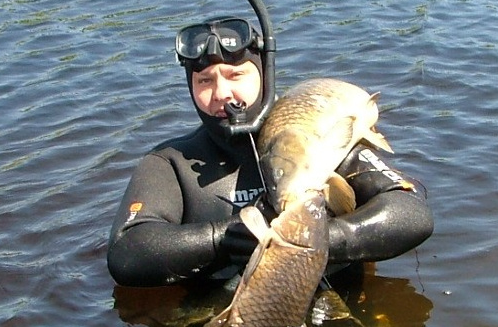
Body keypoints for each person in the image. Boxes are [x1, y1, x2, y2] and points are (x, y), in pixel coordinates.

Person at [107, 16, 433, 287]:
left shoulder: (313, 138)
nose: (221, 93)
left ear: (264, 75)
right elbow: (127, 255)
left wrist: (316, 239)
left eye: (236, 75)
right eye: (204, 81)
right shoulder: (170, 162)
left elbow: (412, 215)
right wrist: (224, 238)